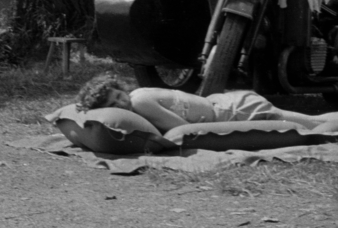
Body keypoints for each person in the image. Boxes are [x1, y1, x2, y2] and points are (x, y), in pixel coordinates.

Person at [77, 72, 338, 133]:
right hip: (226, 105)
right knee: (309, 122)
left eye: (118, 96)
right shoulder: (138, 99)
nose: (121, 104)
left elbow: (180, 129)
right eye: (114, 104)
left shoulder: (141, 101)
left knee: (311, 125)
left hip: (233, 111)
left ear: (121, 89)